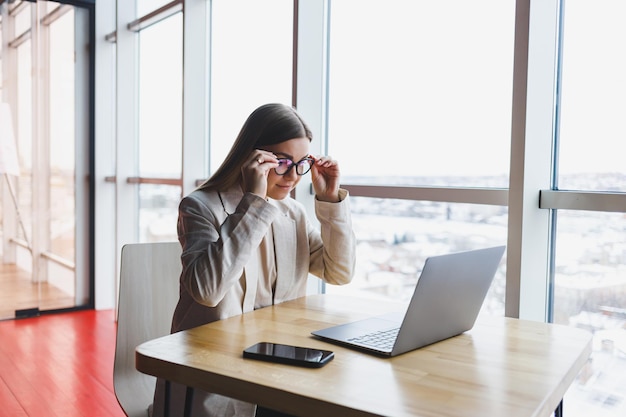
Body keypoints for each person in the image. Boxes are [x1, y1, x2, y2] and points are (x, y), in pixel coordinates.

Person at [151, 103, 356, 417]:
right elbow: (208, 290)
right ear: (252, 159)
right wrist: (254, 204)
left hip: (280, 371)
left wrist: (330, 201)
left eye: (302, 163)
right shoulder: (201, 207)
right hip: (217, 376)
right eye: (282, 162)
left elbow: (339, 272)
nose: (292, 176)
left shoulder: (293, 214)